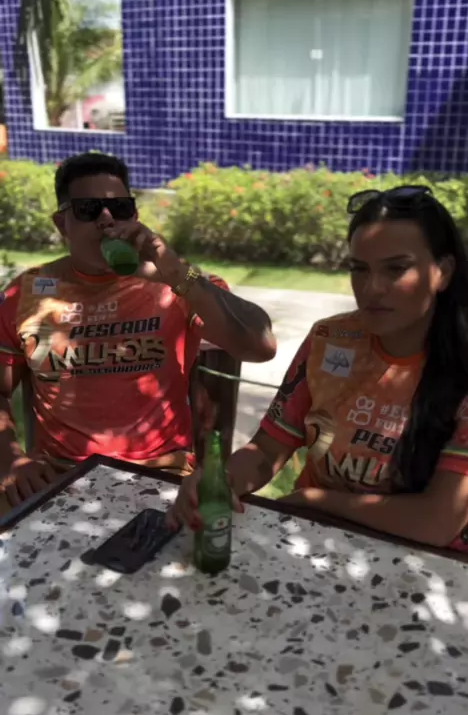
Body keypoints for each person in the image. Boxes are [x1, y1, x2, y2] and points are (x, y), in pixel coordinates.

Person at [169, 186, 468, 554]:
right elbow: (267, 450)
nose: (372, 288)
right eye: (359, 269)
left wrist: (315, 500)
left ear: (443, 272)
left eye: (396, 268)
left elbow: (438, 521)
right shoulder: (330, 339)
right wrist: (221, 480)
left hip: (432, 562)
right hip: (315, 541)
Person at [0, 152, 276, 508]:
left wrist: (174, 274)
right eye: (88, 209)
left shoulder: (177, 282)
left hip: (160, 472)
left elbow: (260, 346)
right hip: (58, 475)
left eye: (120, 208)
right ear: (61, 223)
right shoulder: (25, 293)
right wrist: (10, 460)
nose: (106, 219)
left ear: (135, 216)